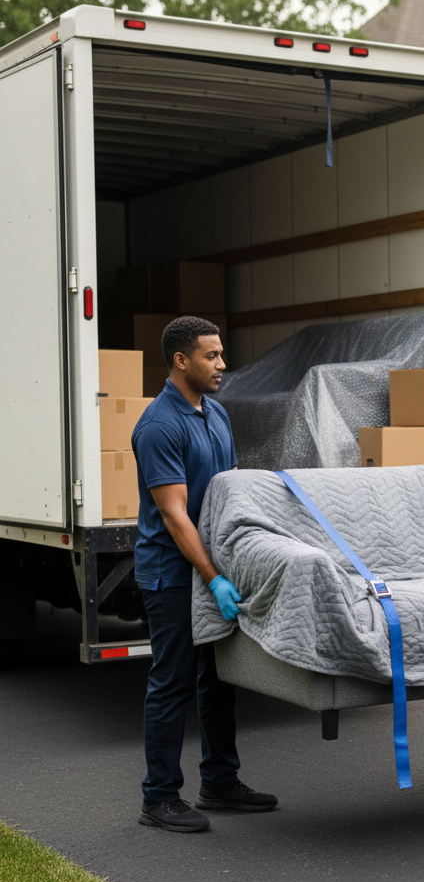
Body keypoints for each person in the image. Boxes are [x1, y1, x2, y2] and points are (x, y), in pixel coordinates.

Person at [132, 316, 276, 833]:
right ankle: (159, 797)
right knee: (172, 683)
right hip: (172, 573)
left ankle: (219, 782)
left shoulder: (215, 413)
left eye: (220, 354)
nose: (222, 364)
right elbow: (175, 516)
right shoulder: (158, 426)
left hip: (213, 565)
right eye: (211, 356)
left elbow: (228, 491)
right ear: (180, 360)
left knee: (218, 680)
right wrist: (213, 575)